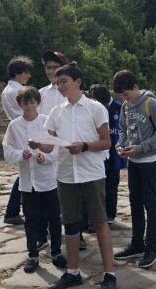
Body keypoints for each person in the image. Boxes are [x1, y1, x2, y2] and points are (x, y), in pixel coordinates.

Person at [31, 62, 117, 289]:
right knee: (70, 223)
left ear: (78, 82)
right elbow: (49, 145)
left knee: (99, 222)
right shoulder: (56, 112)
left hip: (91, 172)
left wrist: (85, 146)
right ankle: (73, 272)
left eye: (64, 82)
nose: (60, 86)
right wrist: (38, 143)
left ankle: (109, 274)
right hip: (66, 173)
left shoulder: (95, 108)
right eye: (58, 82)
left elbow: (107, 142)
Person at [2, 86, 67, 273]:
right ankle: (32, 255)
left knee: (54, 217)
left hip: (48, 180)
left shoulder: (47, 122)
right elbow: (7, 150)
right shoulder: (14, 126)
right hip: (27, 182)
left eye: (32, 102)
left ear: (38, 103)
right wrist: (20, 154)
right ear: (20, 104)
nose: (29, 106)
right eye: (25, 103)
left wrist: (44, 157)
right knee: (31, 219)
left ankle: (56, 252)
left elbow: (57, 148)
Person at [111, 70, 156, 269]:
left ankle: (152, 248)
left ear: (135, 87)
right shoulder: (126, 106)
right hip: (133, 161)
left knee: (150, 202)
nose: (124, 98)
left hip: (149, 160)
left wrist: (141, 148)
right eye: (121, 96)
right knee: (134, 201)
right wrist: (120, 145)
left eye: (126, 94)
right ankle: (137, 244)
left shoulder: (150, 103)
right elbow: (123, 131)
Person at [1, 56, 33, 226]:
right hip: (27, 131)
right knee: (27, 174)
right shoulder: (20, 91)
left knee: (25, 173)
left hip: (19, 130)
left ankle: (12, 211)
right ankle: (13, 211)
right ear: (18, 73)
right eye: (26, 72)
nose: (28, 76)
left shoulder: (6, 90)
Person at [87, 84, 124, 225]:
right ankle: (94, 216)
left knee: (111, 186)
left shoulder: (119, 108)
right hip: (97, 154)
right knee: (95, 187)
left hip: (114, 155)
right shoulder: (91, 108)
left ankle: (110, 215)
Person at [39, 51, 68, 116]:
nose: (51, 71)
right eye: (48, 68)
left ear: (64, 68)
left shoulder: (73, 92)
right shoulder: (41, 93)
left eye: (55, 67)